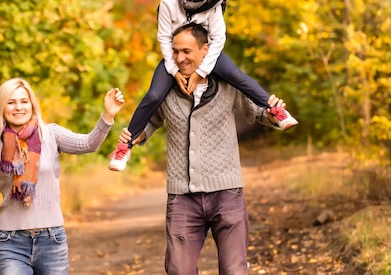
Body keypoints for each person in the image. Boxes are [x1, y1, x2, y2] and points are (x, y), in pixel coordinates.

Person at [118, 22, 288, 274]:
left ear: (205, 50)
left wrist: (274, 114)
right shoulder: (165, 90)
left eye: (186, 51)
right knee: (178, 270)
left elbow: (258, 111)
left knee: (234, 270)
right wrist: (133, 136)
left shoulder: (228, 86)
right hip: (182, 198)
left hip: (226, 194)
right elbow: (151, 122)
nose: (180, 58)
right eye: (175, 52)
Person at [108, 0, 297, 171]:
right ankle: (125, 147)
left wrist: (201, 72)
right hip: (175, 57)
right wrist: (174, 71)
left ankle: (275, 110)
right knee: (154, 95)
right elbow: (164, 38)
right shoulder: (169, 3)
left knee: (237, 77)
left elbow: (218, 38)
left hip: (209, 55)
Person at [0, 77, 125, 275]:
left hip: (52, 240)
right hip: (11, 242)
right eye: (11, 102)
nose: (19, 107)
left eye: (24, 101)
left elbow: (88, 144)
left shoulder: (50, 134)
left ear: (32, 105)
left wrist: (107, 116)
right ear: (2, 107)